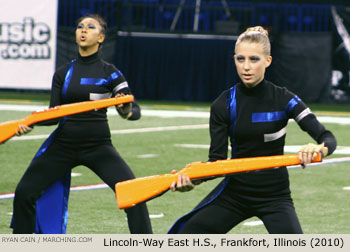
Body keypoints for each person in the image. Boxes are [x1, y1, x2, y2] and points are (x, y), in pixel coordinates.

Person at [168, 26, 337, 234]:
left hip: (275, 196)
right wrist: (194, 179)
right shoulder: (223, 104)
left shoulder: (285, 99)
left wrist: (318, 149)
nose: (246, 67)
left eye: (254, 59)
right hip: (235, 193)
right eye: (241, 59)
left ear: (268, 61)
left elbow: (327, 137)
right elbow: (217, 162)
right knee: (183, 237)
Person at [11, 14, 153, 234]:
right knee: (24, 193)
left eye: (90, 27)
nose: (83, 30)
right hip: (63, 146)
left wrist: (124, 110)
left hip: (98, 147)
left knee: (134, 195)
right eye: (79, 27)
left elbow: (134, 111)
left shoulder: (111, 73)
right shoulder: (62, 73)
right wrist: (31, 123)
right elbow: (54, 114)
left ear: (101, 37)